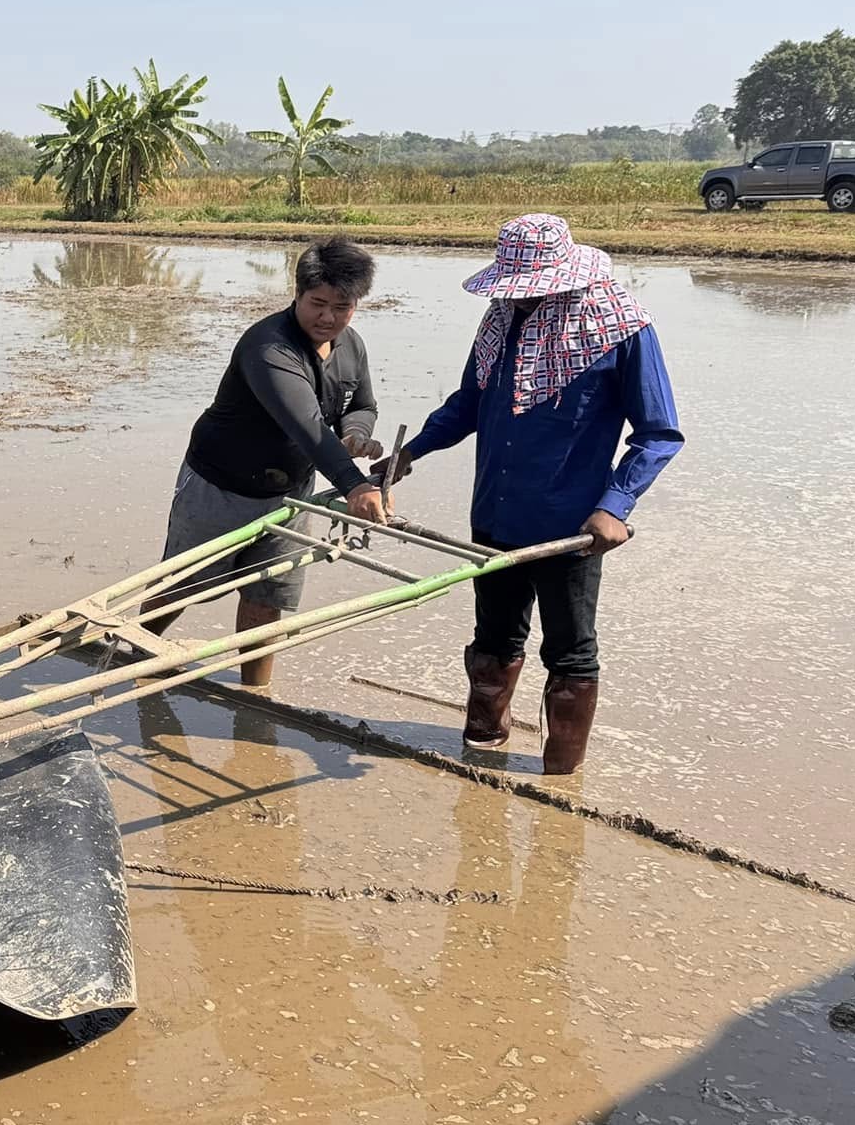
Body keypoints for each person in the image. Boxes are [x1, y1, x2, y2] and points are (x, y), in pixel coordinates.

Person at [384, 214, 683, 774]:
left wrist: (615, 505)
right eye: (514, 291)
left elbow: (659, 433)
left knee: (570, 651)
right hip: (495, 511)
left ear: (564, 279)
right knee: (493, 639)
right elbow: (469, 401)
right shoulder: (501, 320)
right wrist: (411, 453)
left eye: (531, 291)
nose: (520, 301)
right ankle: (480, 754)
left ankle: (560, 779)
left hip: (570, 526)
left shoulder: (621, 330)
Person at [147, 236, 388, 687]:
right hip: (222, 484)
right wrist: (355, 485)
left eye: (343, 307)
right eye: (318, 304)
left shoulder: (350, 345)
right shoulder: (269, 347)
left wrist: (356, 433)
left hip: (291, 492)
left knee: (269, 592)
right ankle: (134, 652)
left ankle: (255, 694)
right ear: (297, 293)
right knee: (183, 584)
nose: (329, 318)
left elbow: (362, 402)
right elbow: (307, 426)